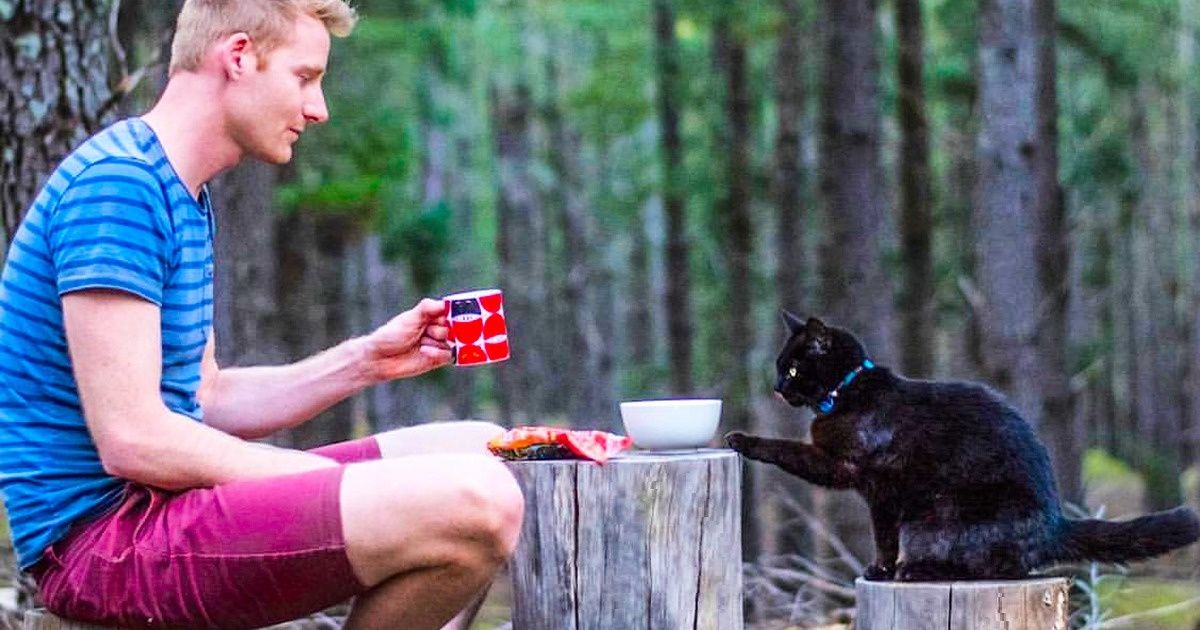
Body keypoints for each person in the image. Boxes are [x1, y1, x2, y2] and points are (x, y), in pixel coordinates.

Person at [0, 1, 525, 628]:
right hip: (107, 546)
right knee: (478, 503)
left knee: (489, 451)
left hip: (164, 513)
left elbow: (205, 397)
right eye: (304, 77)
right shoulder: (119, 186)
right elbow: (133, 438)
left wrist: (365, 362)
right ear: (239, 56)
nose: (318, 108)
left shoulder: (179, 191)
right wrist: (309, 478)